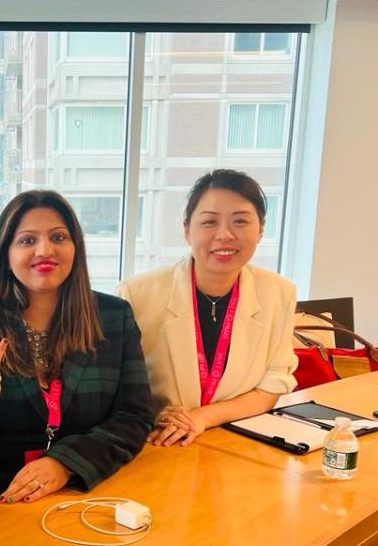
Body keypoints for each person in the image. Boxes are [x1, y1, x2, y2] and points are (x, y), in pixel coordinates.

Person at [0, 190, 154, 519]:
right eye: (27, 240)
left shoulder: (114, 317)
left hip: (80, 503)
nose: (45, 250)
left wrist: (65, 462)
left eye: (58, 237)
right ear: (4, 253)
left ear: (75, 247)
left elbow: (134, 418)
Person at [117, 169, 298, 447]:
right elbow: (118, 390)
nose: (224, 235)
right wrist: (158, 414)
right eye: (210, 222)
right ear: (187, 230)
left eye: (240, 221)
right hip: (158, 443)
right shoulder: (136, 294)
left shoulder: (279, 293)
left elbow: (272, 384)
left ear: (261, 228)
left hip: (236, 444)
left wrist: (202, 417)